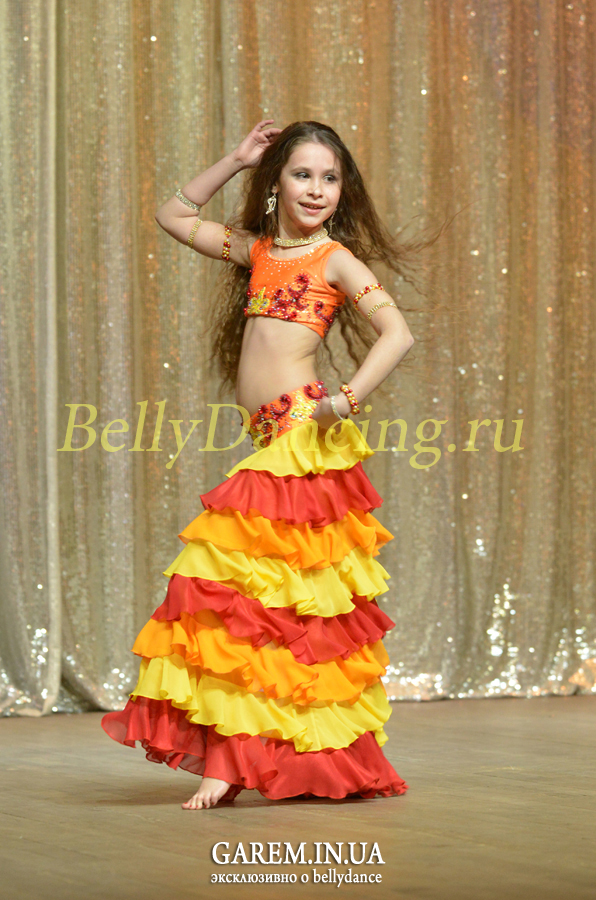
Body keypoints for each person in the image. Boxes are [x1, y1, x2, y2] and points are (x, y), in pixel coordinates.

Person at [101, 119, 416, 810]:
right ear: (276, 182)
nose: (317, 189)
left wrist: (344, 401)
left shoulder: (336, 259)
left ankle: (231, 762)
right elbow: (173, 215)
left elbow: (397, 333)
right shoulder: (258, 251)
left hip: (300, 440)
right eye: (302, 174)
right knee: (270, 615)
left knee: (235, 595)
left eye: (330, 178)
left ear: (343, 191)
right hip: (271, 438)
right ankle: (258, 757)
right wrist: (237, 158)